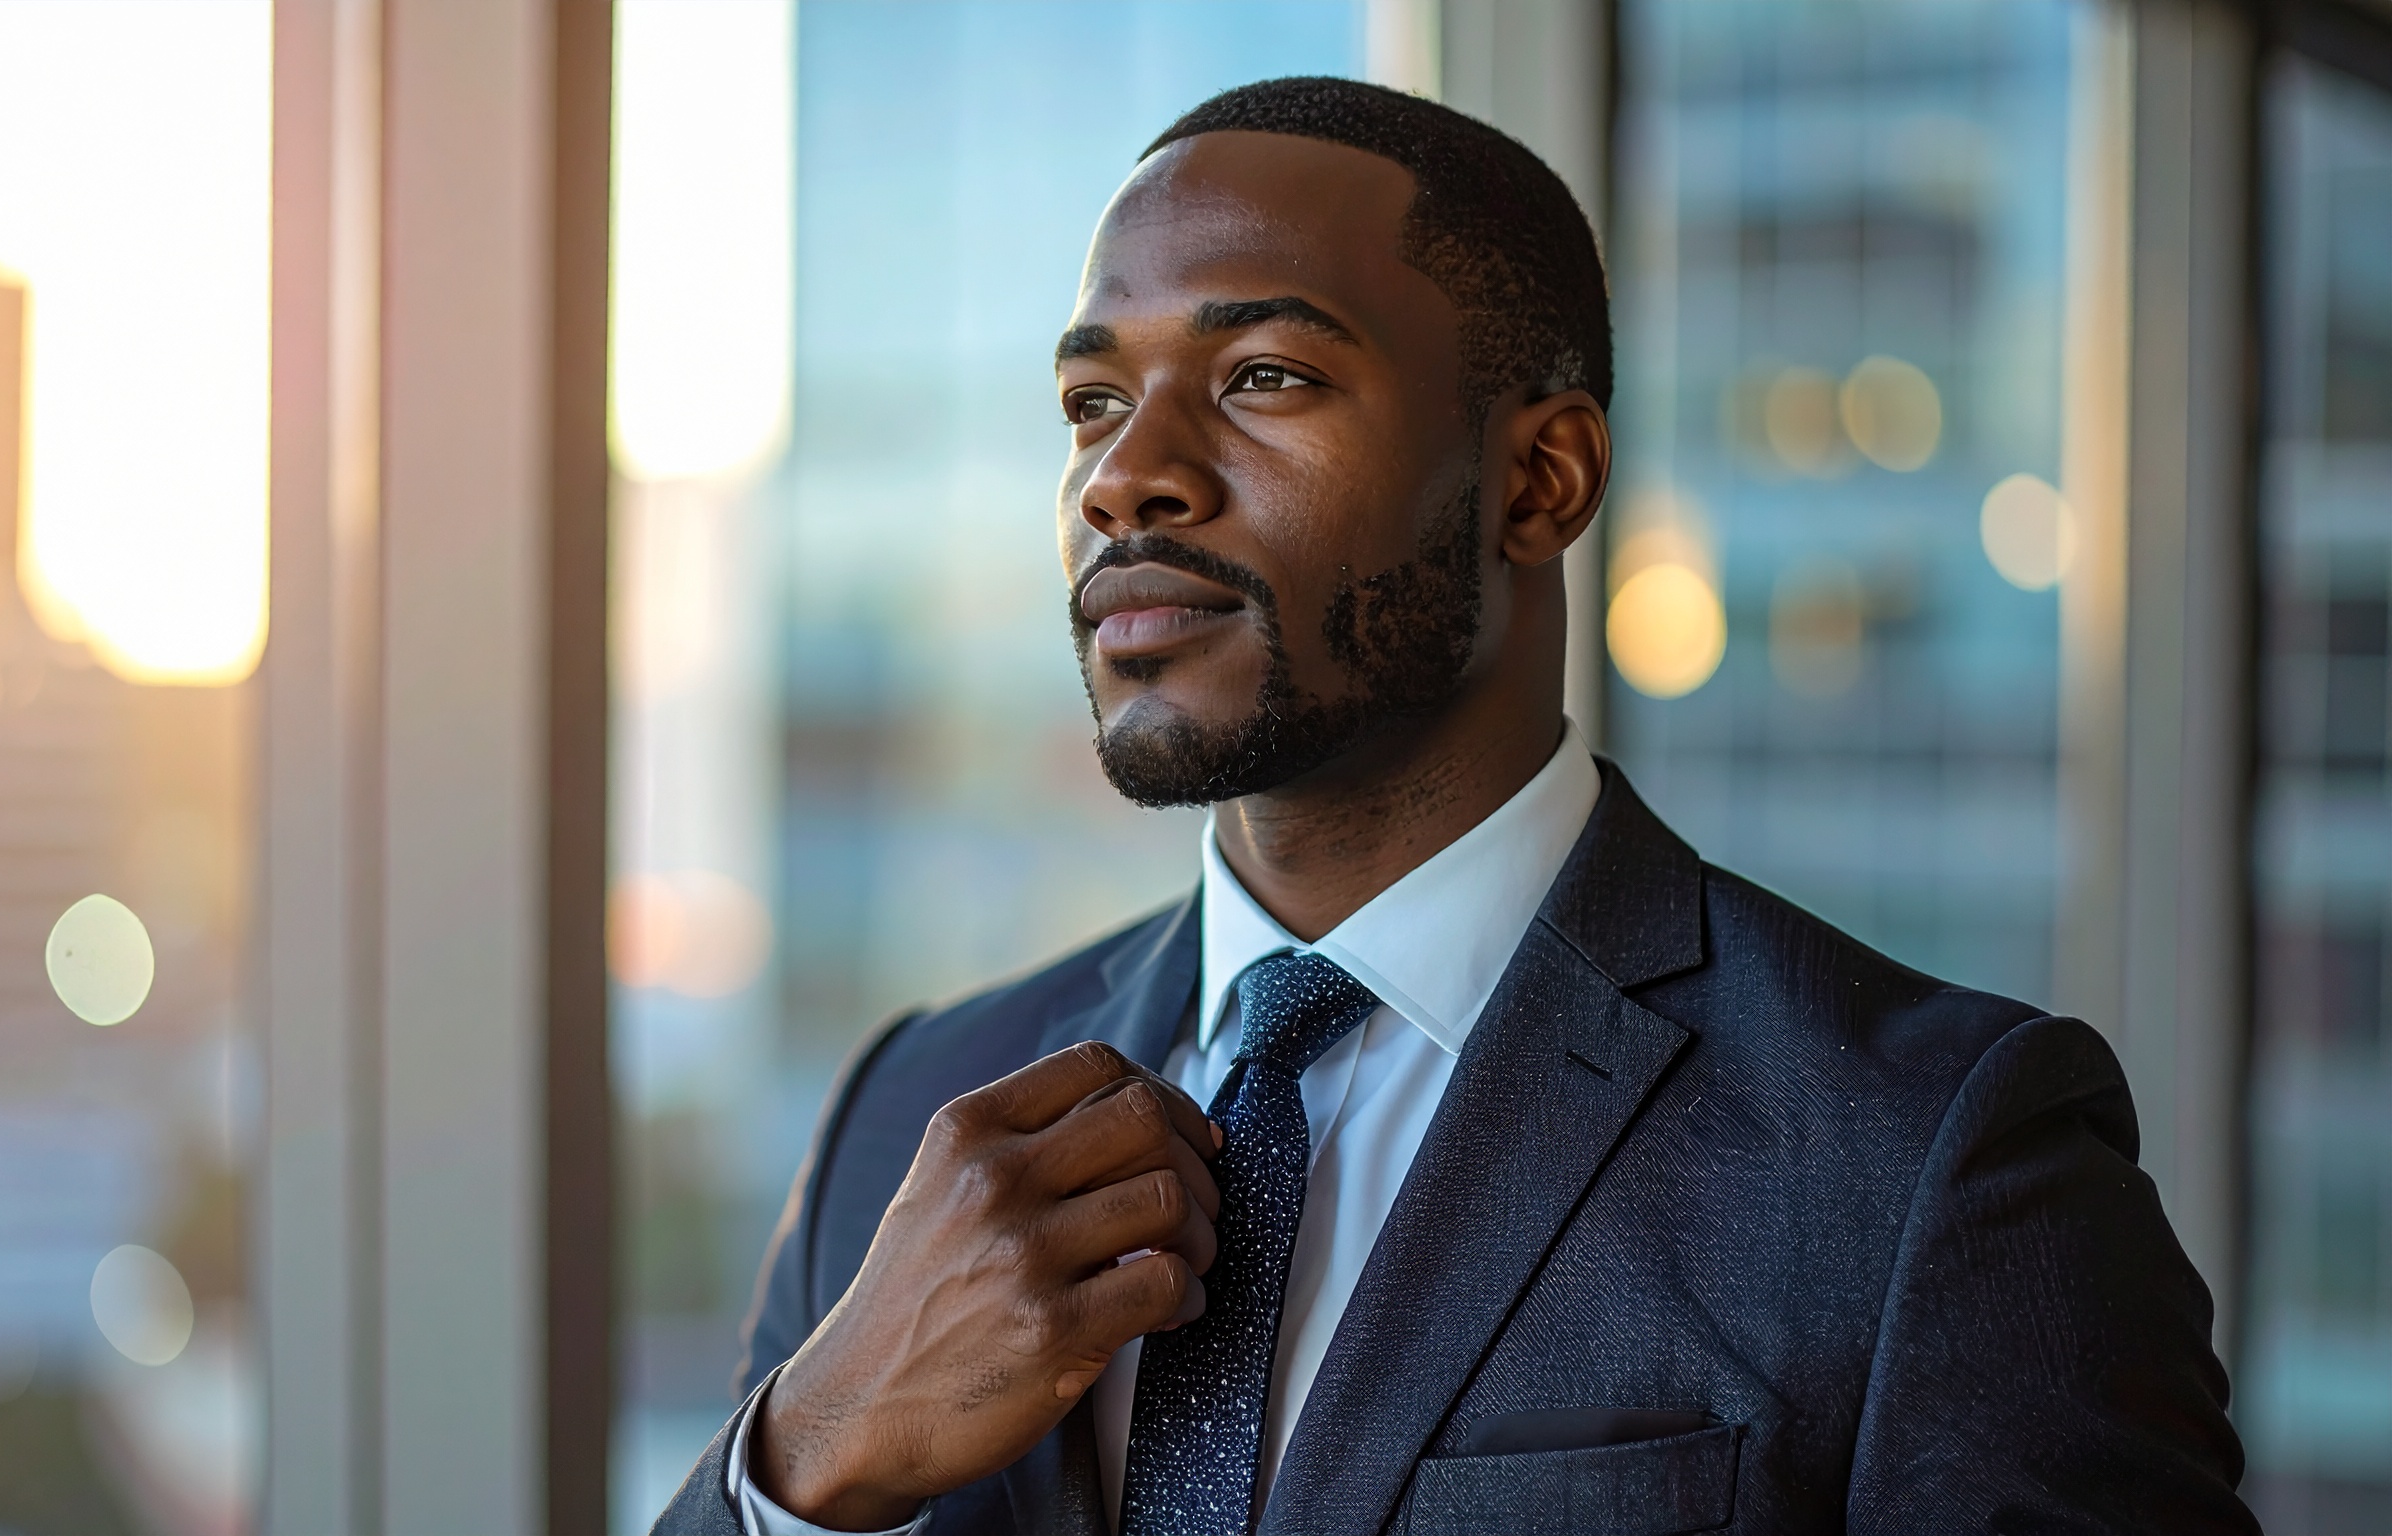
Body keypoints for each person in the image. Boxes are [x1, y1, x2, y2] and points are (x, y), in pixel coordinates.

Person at [653, 76, 2255, 1536]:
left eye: (1262, 375)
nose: (1122, 477)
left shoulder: (1926, 1162)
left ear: (1540, 481)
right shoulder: (910, 1110)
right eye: (1090, 404)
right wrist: (812, 1452)